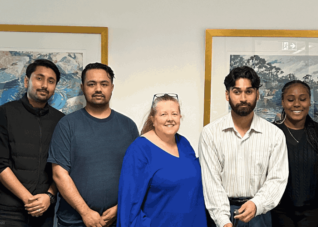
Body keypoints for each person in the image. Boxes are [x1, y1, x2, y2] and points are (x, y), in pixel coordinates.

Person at [47, 63, 139, 227]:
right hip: (74, 221)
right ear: (82, 87)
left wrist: (120, 207)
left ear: (111, 87)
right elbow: (59, 174)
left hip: (118, 220)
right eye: (91, 84)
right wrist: (85, 212)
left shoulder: (128, 126)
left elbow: (137, 174)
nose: (98, 89)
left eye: (104, 84)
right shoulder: (67, 125)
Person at [198, 66, 289, 227]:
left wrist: (257, 204)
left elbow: (277, 179)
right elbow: (211, 182)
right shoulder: (210, 133)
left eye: (249, 91)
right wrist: (223, 221)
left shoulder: (274, 135)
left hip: (259, 213)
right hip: (222, 213)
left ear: (257, 94)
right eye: (237, 91)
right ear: (227, 95)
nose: (243, 98)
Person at [117, 93, 207, 227]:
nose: (170, 119)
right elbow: (128, 206)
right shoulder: (139, 150)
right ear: (153, 119)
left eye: (174, 114)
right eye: (163, 114)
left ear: (180, 117)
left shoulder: (184, 143)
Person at [0, 59, 64, 227]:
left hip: (46, 210)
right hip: (9, 210)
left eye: (51, 81)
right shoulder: (5, 113)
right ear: (27, 81)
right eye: (39, 78)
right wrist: (29, 200)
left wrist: (49, 197)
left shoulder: (61, 121)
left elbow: (64, 167)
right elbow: (1, 163)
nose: (44, 85)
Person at [271, 80, 318, 227]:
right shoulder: (271, 133)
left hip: (314, 213)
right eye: (290, 99)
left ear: (309, 102)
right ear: (282, 102)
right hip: (278, 212)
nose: (296, 104)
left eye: (302, 99)